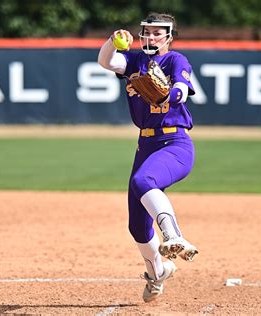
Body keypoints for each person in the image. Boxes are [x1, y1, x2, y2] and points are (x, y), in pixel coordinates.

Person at [97, 12, 198, 302]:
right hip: (145, 145)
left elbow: (181, 89)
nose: (151, 37)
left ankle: (173, 235)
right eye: (147, 32)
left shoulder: (175, 60)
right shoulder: (134, 61)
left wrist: (169, 95)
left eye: (157, 33)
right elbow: (105, 61)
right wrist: (112, 41)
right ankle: (157, 272)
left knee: (144, 180)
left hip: (175, 143)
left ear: (169, 36)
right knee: (137, 225)